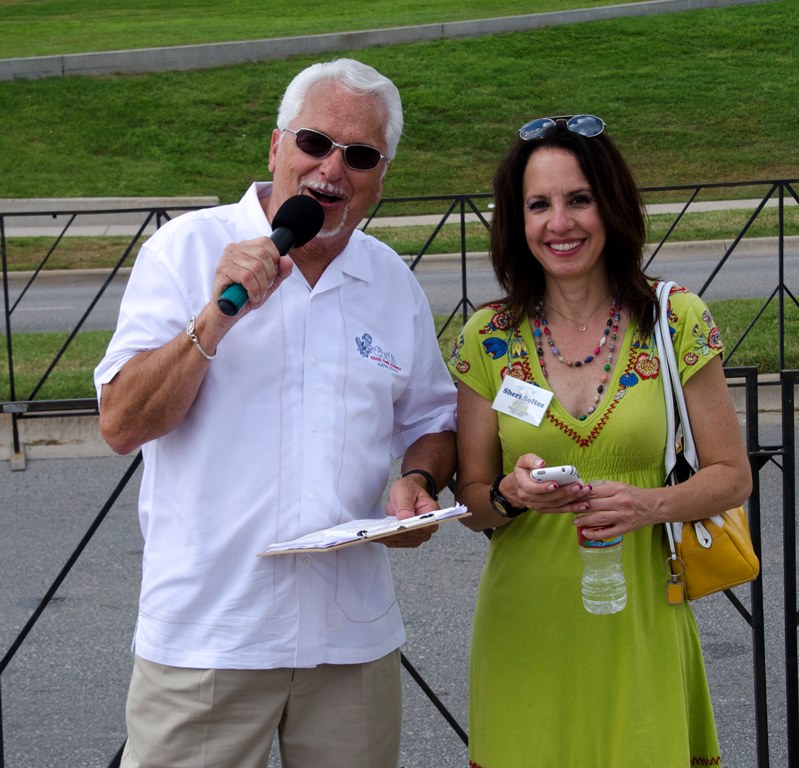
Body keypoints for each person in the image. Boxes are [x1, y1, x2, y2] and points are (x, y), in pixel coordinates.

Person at [94, 58, 456, 768]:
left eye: (360, 156)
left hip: (351, 639)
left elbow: (431, 421)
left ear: (382, 176)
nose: (331, 169)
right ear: (275, 146)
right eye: (314, 143)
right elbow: (122, 424)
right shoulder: (185, 250)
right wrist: (214, 318)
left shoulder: (390, 281)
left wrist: (420, 482)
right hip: (209, 636)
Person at [448, 114, 751, 767]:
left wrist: (649, 505)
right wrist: (511, 494)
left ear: (611, 205)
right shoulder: (487, 337)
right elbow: (471, 503)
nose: (559, 223)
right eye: (538, 205)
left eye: (579, 199)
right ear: (517, 221)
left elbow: (732, 475)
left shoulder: (674, 318)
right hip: (526, 627)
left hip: (640, 617)